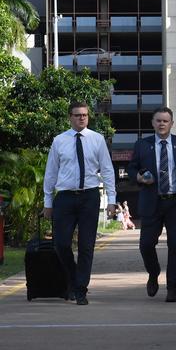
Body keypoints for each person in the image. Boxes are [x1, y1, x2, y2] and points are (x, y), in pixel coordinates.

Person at [43, 101, 117, 305]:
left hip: (89, 197)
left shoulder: (97, 139)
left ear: (88, 117)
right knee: (61, 244)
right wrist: (48, 202)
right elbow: (51, 173)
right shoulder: (59, 141)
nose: (81, 118)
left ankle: (81, 289)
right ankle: (74, 279)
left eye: (84, 115)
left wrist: (112, 200)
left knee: (86, 246)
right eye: (77, 115)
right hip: (65, 197)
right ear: (70, 117)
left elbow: (108, 170)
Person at [127, 107, 176, 302]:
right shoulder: (142, 145)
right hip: (152, 201)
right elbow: (131, 167)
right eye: (158, 120)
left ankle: (172, 288)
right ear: (153, 123)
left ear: (171, 123)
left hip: (175, 201)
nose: (161, 124)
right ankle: (153, 272)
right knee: (146, 245)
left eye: (165, 121)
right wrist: (139, 177)